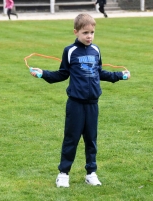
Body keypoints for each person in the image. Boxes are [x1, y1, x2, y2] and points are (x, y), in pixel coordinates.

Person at [30, 13, 130, 188]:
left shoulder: (96, 50)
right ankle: (63, 174)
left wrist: (119, 76)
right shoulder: (70, 51)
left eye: (92, 32)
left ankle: (91, 172)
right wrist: (43, 73)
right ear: (76, 32)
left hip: (93, 104)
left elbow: (100, 73)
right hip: (75, 104)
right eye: (85, 33)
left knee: (91, 139)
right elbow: (62, 73)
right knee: (71, 138)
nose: (89, 36)